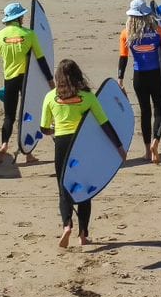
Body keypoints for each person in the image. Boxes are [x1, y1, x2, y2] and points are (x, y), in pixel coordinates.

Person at [41, 58, 126, 248]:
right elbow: (105, 124)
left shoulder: (50, 98)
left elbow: (43, 128)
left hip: (62, 145)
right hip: (82, 145)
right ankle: (83, 235)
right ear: (78, 75)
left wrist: (54, 130)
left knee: (64, 189)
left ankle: (66, 226)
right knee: (85, 190)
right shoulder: (88, 98)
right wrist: (119, 147)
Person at [117, 0, 161, 164]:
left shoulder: (126, 33)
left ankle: (147, 151)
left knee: (145, 112)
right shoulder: (157, 31)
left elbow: (123, 58)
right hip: (156, 76)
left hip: (139, 77)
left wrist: (120, 79)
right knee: (160, 111)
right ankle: (156, 143)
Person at [0, 2, 49, 165]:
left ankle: (4, 144)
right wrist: (50, 80)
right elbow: (41, 60)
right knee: (27, 115)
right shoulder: (29, 34)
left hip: (10, 80)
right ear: (19, 18)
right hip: (27, 81)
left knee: (9, 116)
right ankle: (28, 154)